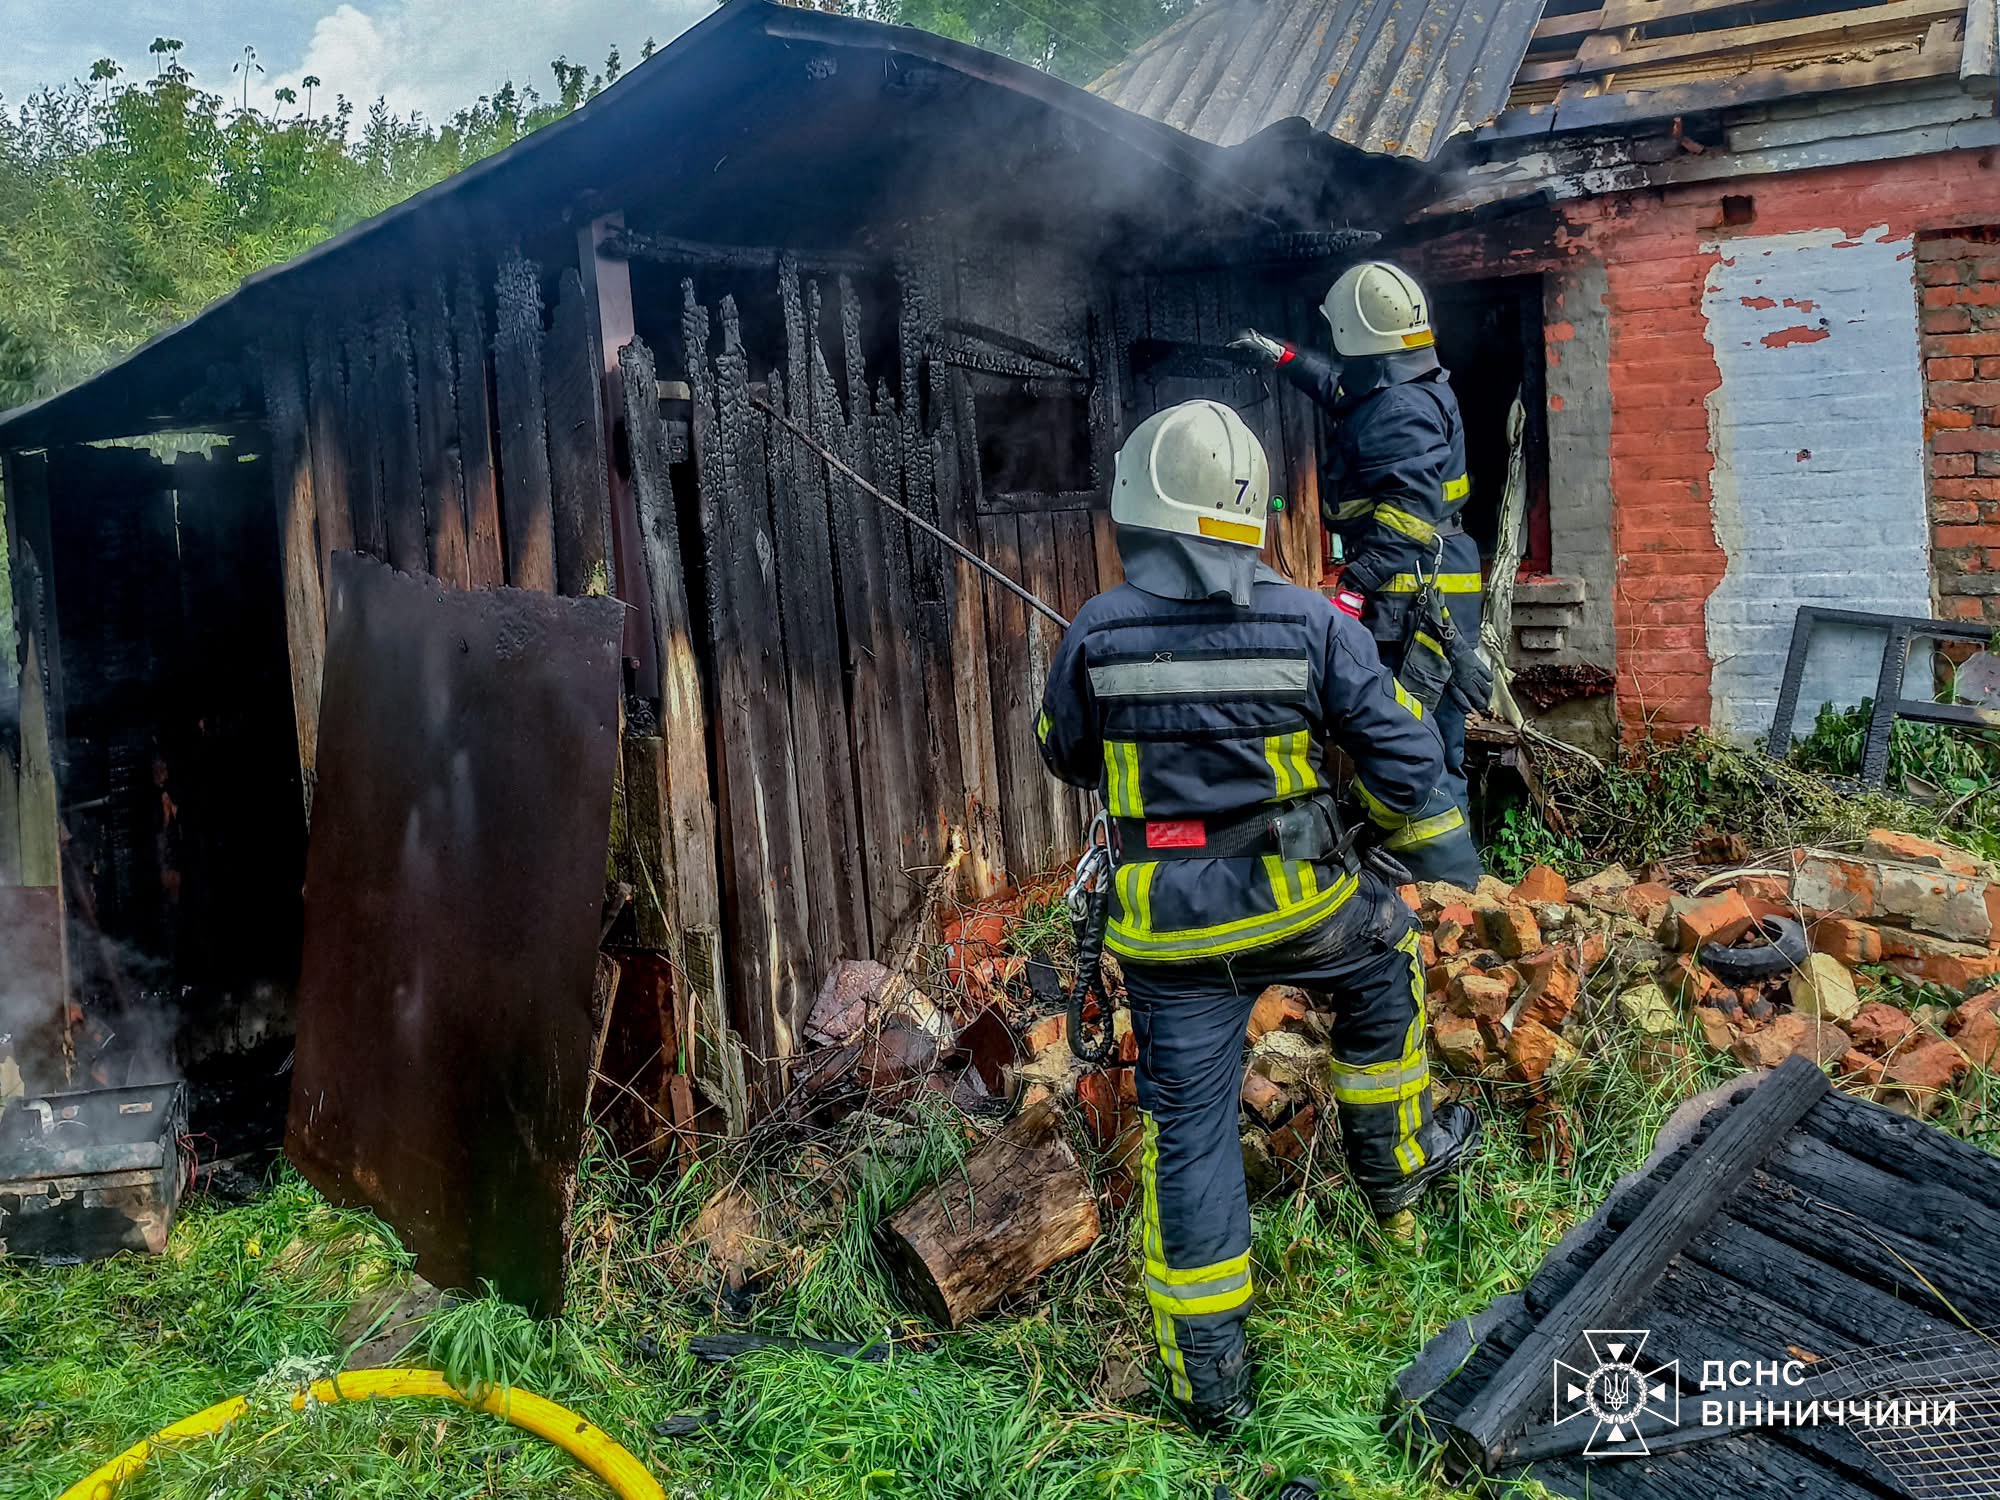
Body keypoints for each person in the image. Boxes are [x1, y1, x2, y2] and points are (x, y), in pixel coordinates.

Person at [1035, 398, 1481, 1432]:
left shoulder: (1097, 628)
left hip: (1169, 940)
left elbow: (1061, 756)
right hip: (1305, 908)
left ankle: (1209, 1398)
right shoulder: (1312, 624)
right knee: (1384, 965)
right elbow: (1406, 759)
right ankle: (1396, 1189)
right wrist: (1375, 835)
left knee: (1185, 1140)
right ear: (1250, 513)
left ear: (1139, 512)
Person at [1233, 262, 1487, 886]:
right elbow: (1344, 390)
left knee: (1414, 736)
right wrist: (1284, 357)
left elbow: (1406, 519)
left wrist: (1353, 587)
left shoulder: (1400, 408)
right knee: (1431, 735)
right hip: (1428, 588)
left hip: (1411, 597)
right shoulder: (1405, 384)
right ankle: (1438, 892)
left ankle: (1450, 895)